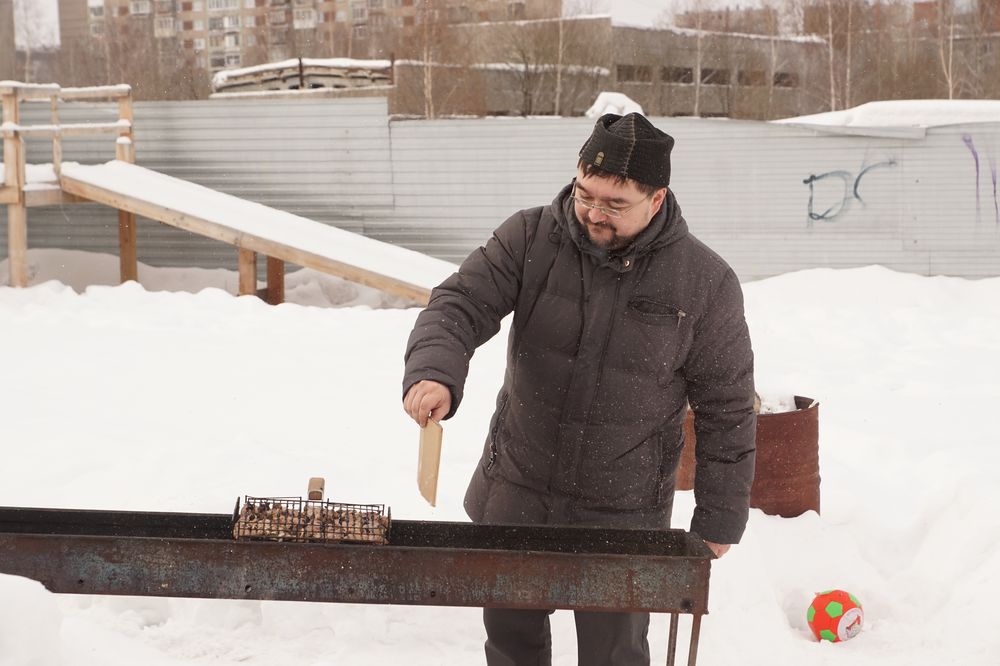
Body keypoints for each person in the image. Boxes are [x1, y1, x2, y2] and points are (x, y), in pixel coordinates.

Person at [402, 112, 756, 666]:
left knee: (614, 656)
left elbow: (727, 407)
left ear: (657, 198)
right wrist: (434, 372)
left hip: (623, 515)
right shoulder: (529, 236)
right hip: (517, 492)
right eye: (586, 194)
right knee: (513, 647)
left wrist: (718, 517)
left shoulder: (704, 282)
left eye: (615, 204)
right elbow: (459, 304)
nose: (593, 212)